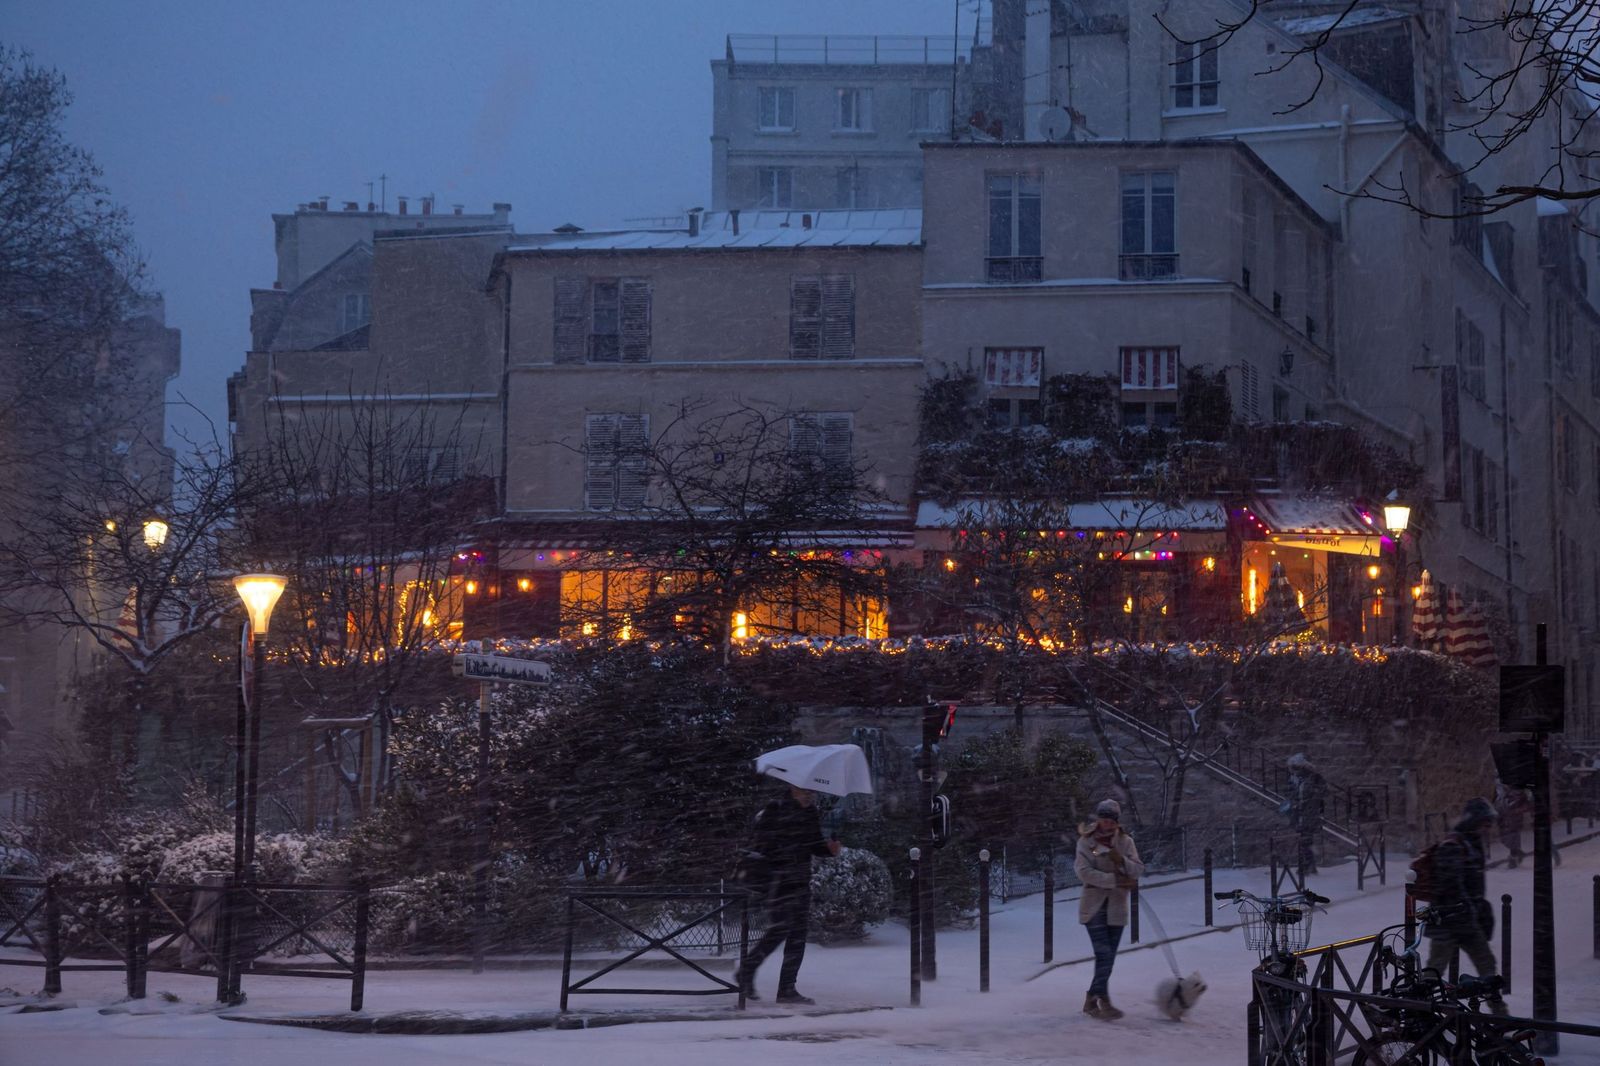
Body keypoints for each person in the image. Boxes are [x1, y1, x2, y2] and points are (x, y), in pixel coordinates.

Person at [733, 785, 840, 1005]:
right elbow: (763, 844)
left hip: (800, 880)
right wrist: (788, 847)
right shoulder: (776, 808)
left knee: (797, 936)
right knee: (780, 930)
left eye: (812, 792)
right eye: (805, 791)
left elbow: (814, 845)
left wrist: (828, 850)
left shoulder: (810, 812)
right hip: (779, 880)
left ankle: (785, 988)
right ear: (793, 788)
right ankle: (748, 971)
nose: (810, 796)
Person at [1425, 797, 1508, 1015]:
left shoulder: (1472, 843)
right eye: (1485, 823)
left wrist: (1478, 909)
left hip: (1465, 921)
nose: (1488, 828)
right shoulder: (1454, 844)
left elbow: (1470, 884)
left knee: (1486, 965)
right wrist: (1469, 908)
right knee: (1434, 972)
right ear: (1475, 821)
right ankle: (1420, 1011)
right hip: (1448, 921)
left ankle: (1500, 1013)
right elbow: (1450, 884)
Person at [1073, 798, 1145, 1020]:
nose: (1108, 824)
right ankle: (1098, 999)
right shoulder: (1086, 842)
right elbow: (1083, 872)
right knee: (1103, 954)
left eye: (1111, 820)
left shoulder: (1125, 842)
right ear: (1098, 819)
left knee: (1109, 957)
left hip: (1116, 908)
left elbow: (1138, 869)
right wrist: (1113, 880)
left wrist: (1121, 860)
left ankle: (1095, 999)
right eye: (1104, 819)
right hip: (1093, 907)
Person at [1285, 753, 1326, 875]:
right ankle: (1310, 866)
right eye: (1292, 768)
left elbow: (1322, 791)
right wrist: (1293, 803)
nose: (1294, 770)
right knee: (1304, 840)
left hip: (1309, 813)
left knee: (1305, 840)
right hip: (1298, 814)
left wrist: (1309, 799)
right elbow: (1291, 794)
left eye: (1296, 767)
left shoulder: (1314, 778)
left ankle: (1305, 867)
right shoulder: (1294, 779)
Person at [1493, 780, 1529, 868]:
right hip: (1503, 817)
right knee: (1505, 839)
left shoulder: (1518, 791)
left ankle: (1513, 860)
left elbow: (1525, 803)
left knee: (1513, 838)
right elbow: (1495, 800)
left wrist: (1518, 810)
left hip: (1514, 819)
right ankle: (1518, 853)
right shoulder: (1500, 789)